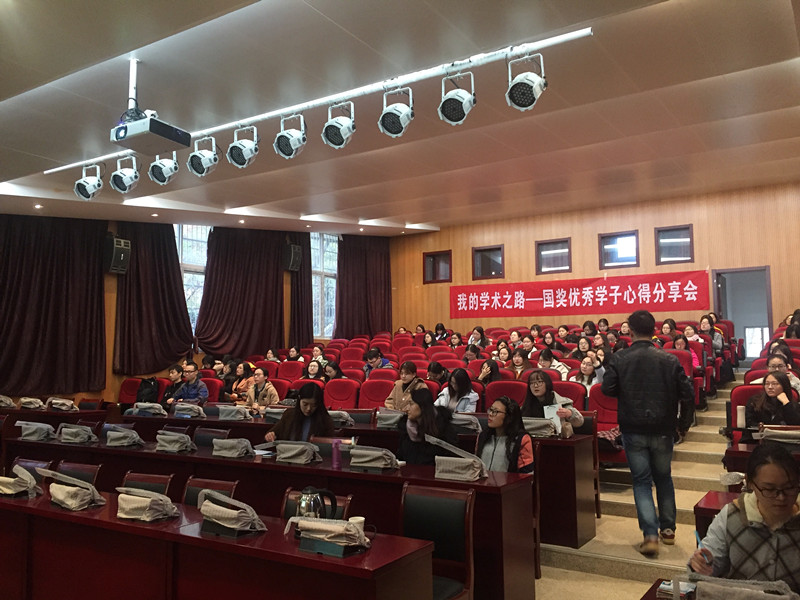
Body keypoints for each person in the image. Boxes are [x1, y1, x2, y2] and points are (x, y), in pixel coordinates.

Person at [602, 310, 693, 557]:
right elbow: (687, 393)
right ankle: (668, 529)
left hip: (633, 427)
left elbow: (607, 389)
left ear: (630, 331)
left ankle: (650, 535)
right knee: (663, 477)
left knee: (642, 482)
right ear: (654, 330)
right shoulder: (669, 359)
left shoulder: (620, 358)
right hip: (663, 427)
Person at [688, 443, 800, 592]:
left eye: (789, 487)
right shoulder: (731, 516)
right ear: (750, 483)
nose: (781, 497)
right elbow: (708, 568)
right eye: (769, 489)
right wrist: (700, 565)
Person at [396, 387, 457, 465]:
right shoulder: (405, 428)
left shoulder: (444, 428)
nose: (406, 408)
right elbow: (401, 456)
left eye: (411, 404)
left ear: (422, 406)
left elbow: (449, 459)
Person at [476, 396, 534, 473]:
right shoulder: (483, 436)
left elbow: (527, 474)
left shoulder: (521, 439)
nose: (490, 414)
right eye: (490, 410)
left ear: (509, 417)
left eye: (495, 411)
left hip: (510, 480)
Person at [264, 383, 334, 442]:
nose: (308, 409)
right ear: (299, 399)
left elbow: (328, 446)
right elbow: (274, 432)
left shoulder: (325, 421)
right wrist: (270, 435)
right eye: (305, 404)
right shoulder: (289, 415)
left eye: (313, 405)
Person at [742, 372, 800, 441]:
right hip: (756, 440)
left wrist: (786, 404)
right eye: (767, 384)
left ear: (784, 385)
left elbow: (795, 426)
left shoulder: (792, 405)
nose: (770, 387)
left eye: (775, 384)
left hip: (783, 441)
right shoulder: (754, 401)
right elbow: (749, 424)